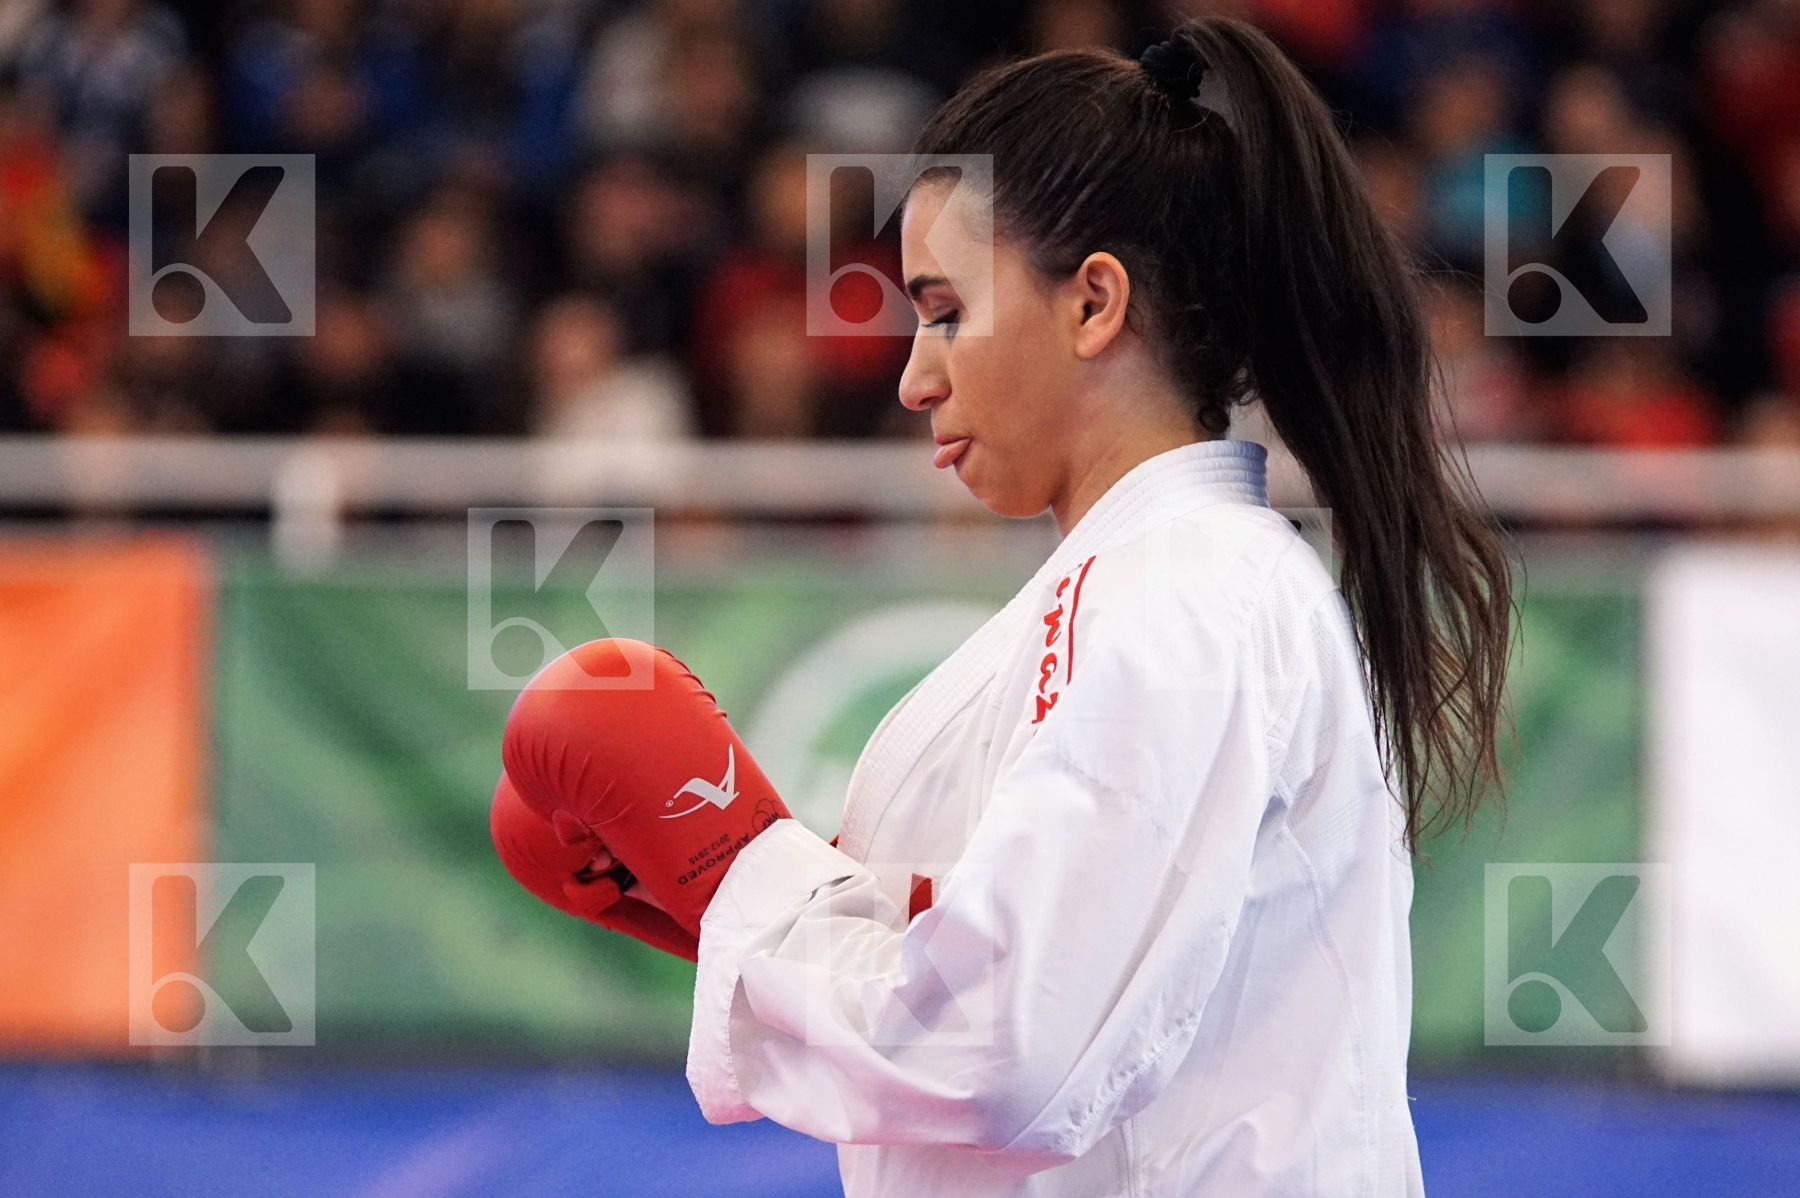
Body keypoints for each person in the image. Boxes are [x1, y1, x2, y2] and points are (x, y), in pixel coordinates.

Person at [494, 16, 1514, 1196]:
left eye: (943, 310)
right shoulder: (1140, 590)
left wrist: (734, 871)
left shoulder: (1189, 601)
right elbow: (1019, 967)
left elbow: (1004, 1052)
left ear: (1093, 304)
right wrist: (706, 896)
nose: (914, 373)